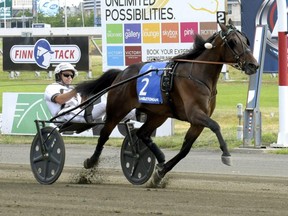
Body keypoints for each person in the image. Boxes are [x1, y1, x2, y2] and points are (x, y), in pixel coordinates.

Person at [44, 63, 136, 123]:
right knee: (86, 111)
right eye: (66, 75)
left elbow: (81, 106)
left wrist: (85, 97)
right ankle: (94, 115)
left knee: (107, 104)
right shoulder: (52, 87)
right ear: (58, 75)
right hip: (63, 116)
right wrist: (76, 90)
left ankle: (136, 114)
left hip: (78, 113)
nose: (69, 78)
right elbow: (59, 100)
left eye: (71, 76)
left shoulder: (73, 89)